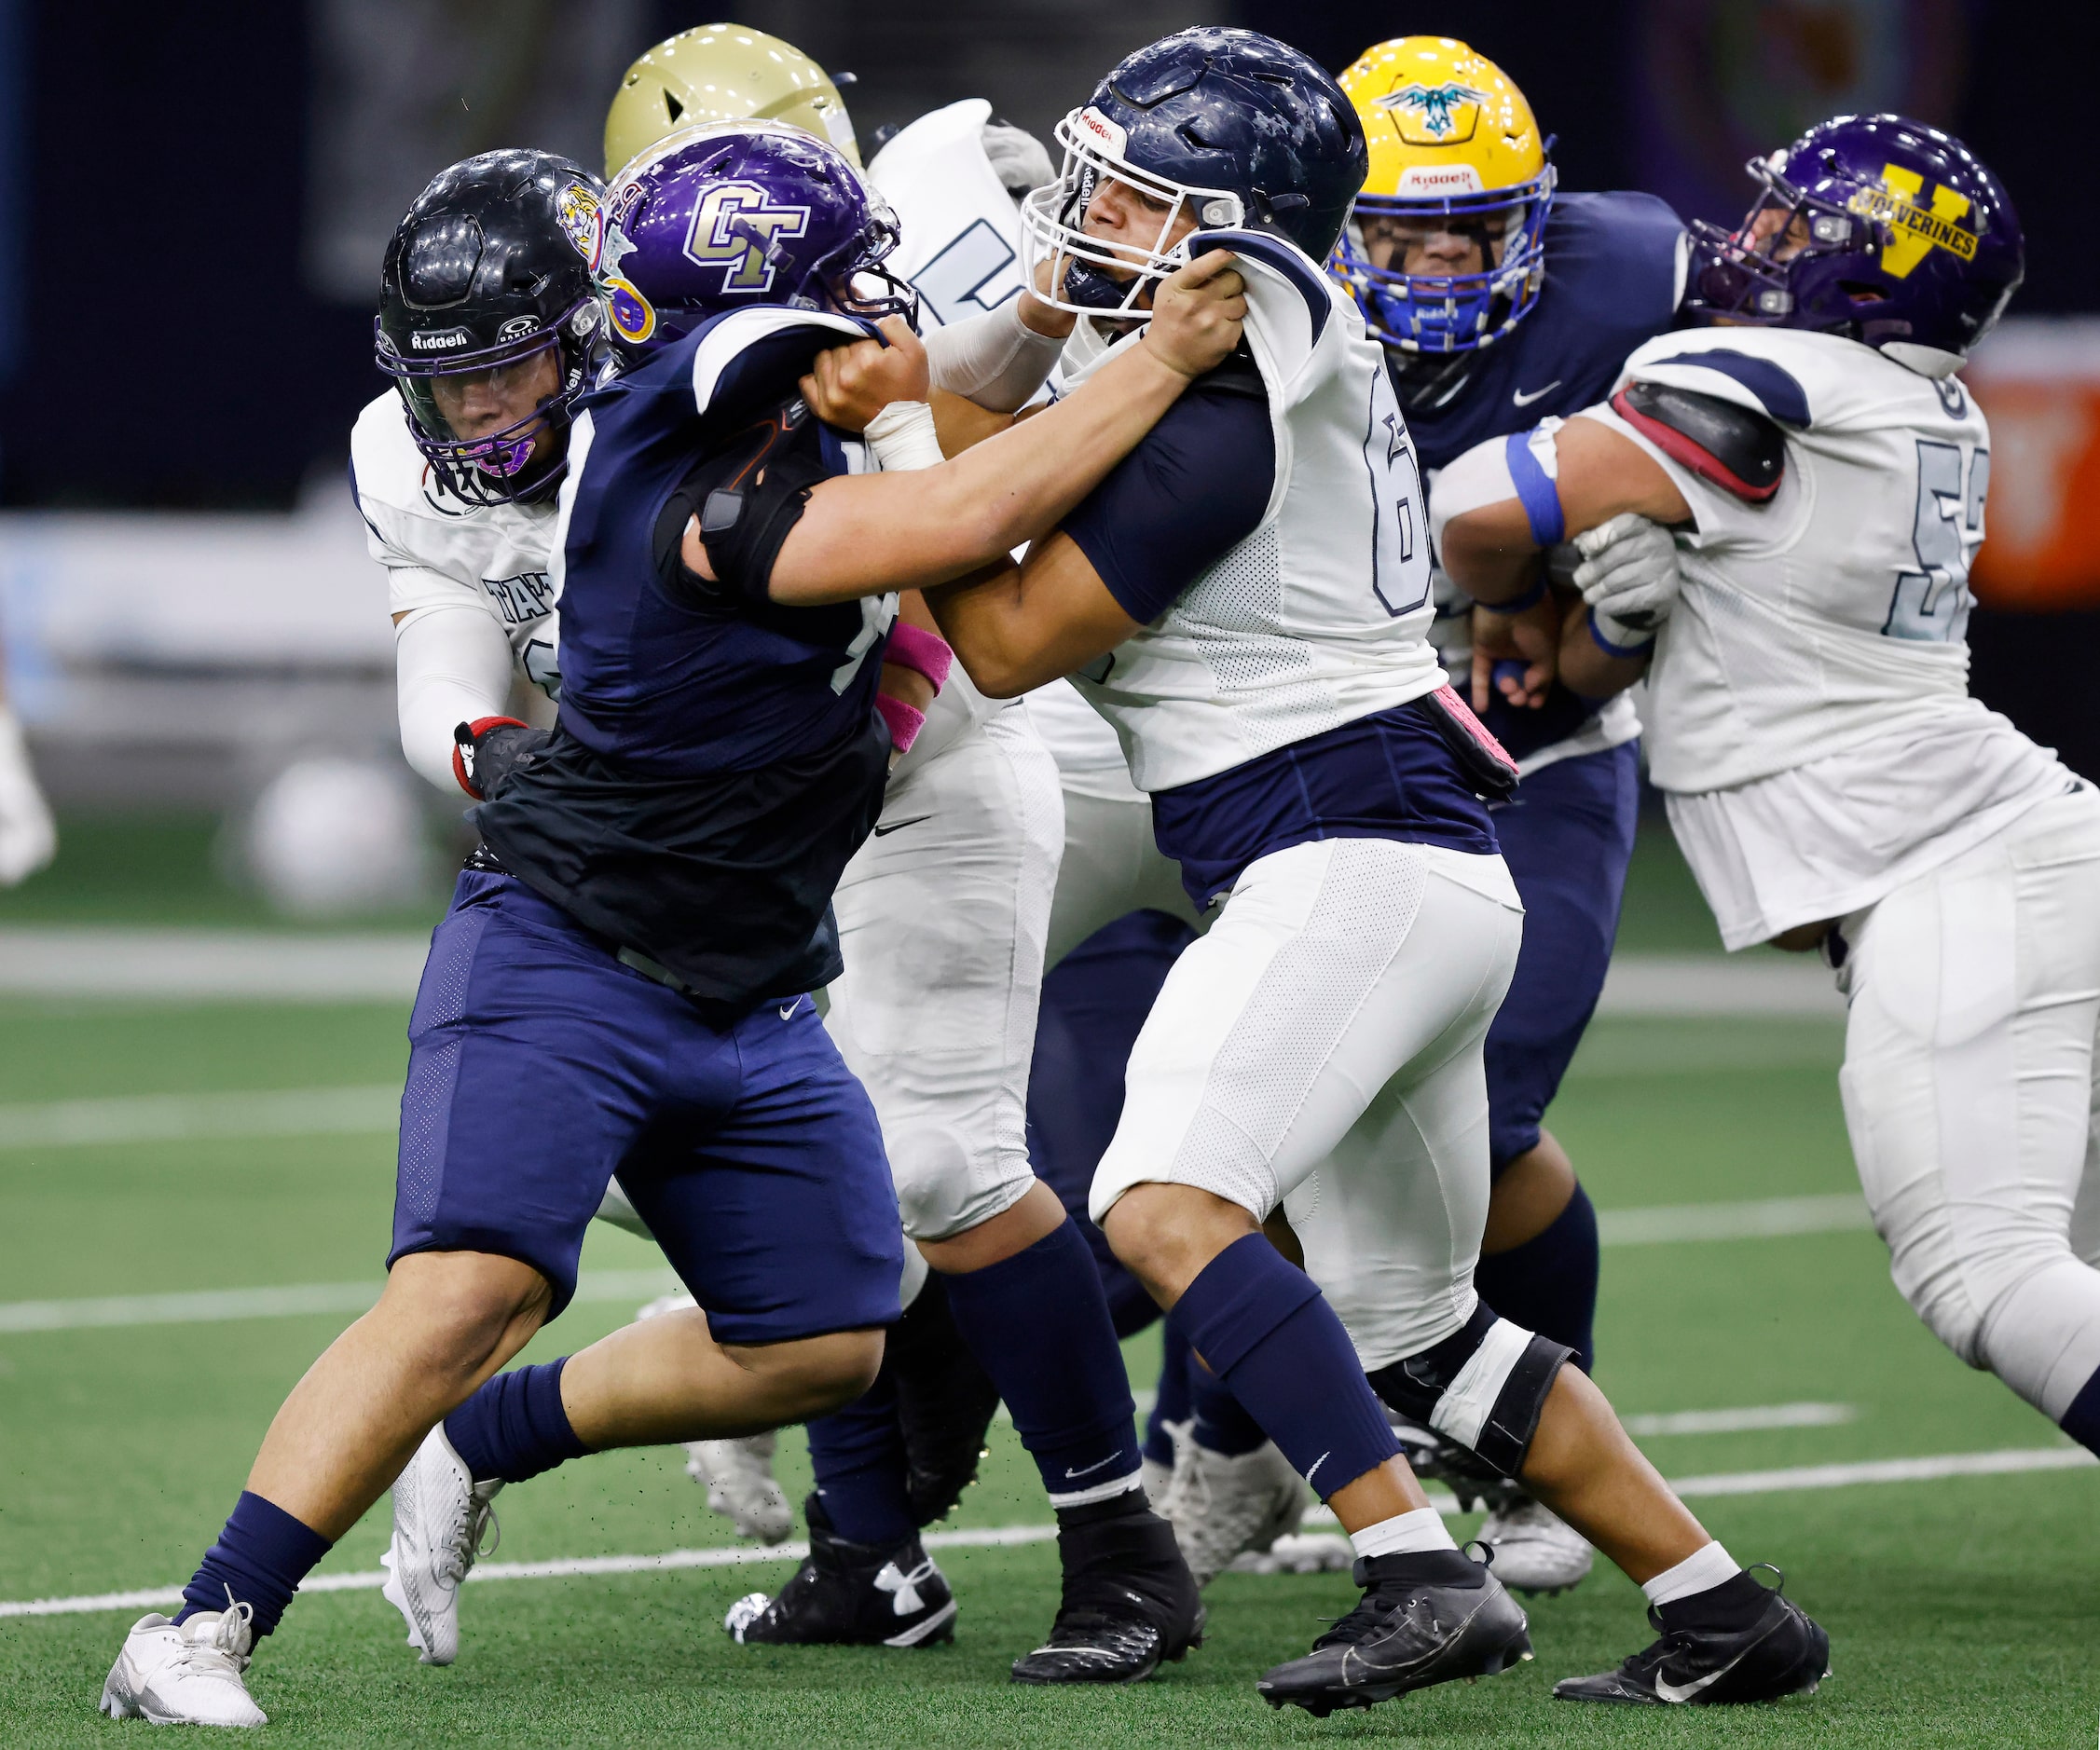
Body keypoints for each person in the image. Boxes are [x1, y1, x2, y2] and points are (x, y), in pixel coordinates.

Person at [96, 124, 1245, 1728]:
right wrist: (1152, 361)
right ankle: (200, 1622)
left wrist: (1018, 319)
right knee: (476, 1283)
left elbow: (934, 393)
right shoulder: (703, 489)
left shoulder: (730, 404)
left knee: (837, 1334)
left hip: (762, 930)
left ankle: (632, 1477)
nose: (479, 407)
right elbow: (958, 512)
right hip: (602, 917)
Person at [918, 25, 1829, 1715]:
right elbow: (993, 435)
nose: (1090, 222)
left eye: (1128, 201)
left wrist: (916, 486)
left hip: (1333, 854)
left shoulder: (1219, 414)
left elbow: (995, 637)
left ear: (1228, 231)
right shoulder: (1265, 351)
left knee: (1161, 1204)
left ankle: (1415, 1569)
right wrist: (1041, 312)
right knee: (1420, 1321)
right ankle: (1720, 1608)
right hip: (1410, 859)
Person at [596, 29, 1205, 1677]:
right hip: (742, 810)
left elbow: (959, 516)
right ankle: (863, 1537)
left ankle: (1115, 1534)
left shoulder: (898, 291)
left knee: (939, 1164)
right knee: (674, 1146)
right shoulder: (599, 347)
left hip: (930, 763)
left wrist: (1066, 335)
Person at [1438, 113, 2100, 1504]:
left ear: (1866, 273)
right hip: (2001, 854)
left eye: (1798, 228)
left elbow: (1478, 513)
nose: (1755, 243)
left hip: (1959, 874)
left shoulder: (1762, 373)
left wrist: (1508, 586)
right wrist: (1600, 609)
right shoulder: (1916, 405)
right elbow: (1652, 641)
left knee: (1985, 1276)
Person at [1297, 33, 1689, 1595]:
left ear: (1532, 218)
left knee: (1491, 1110)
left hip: (1538, 737)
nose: (1439, 266)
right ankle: (1247, 1434)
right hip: (1317, 734)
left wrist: (1645, 564)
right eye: (1397, 232)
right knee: (1266, 1124)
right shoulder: (1250, 292)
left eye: (1469, 230)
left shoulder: (1634, 272)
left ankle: (1540, 1460)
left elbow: (1769, 428)